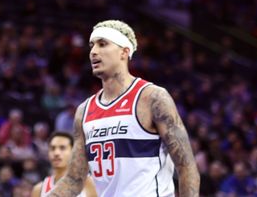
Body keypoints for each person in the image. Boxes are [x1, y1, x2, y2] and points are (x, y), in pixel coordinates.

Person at [49, 20, 200, 197]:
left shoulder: (152, 98)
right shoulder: (84, 110)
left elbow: (186, 167)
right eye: (92, 46)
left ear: (124, 52)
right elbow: (74, 179)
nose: (93, 52)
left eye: (102, 44)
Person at [32, 132, 97, 197]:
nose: (56, 153)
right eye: (52, 148)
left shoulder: (87, 184)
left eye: (62, 148)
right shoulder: (39, 189)